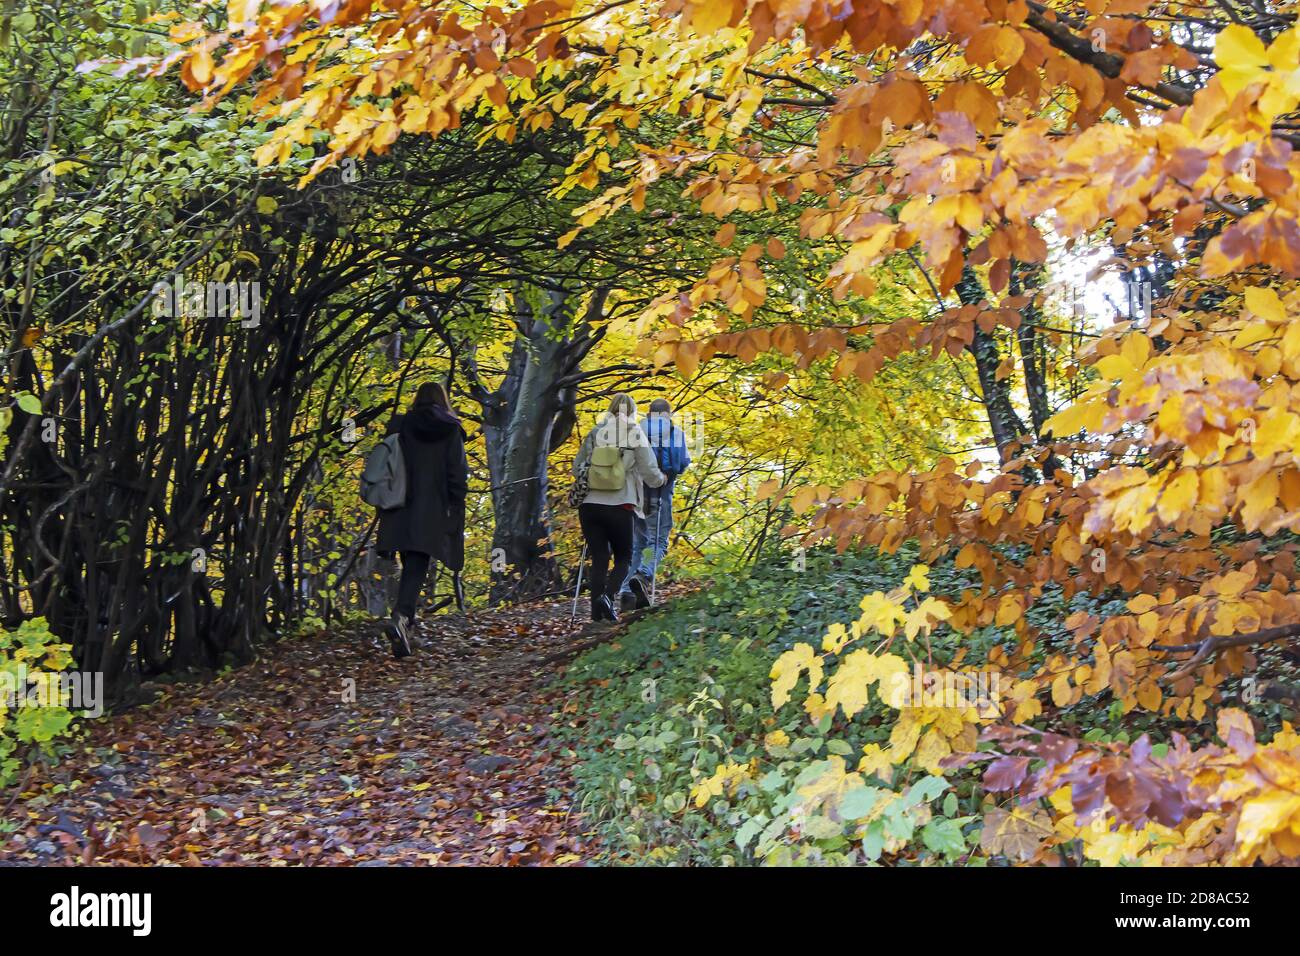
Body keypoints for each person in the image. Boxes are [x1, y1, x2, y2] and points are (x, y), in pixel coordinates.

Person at [376, 382, 468, 658]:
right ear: (444, 400)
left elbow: (385, 463)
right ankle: (403, 617)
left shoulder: (400, 426)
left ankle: (405, 623)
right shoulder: (451, 429)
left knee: (411, 560)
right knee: (418, 561)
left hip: (398, 503)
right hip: (431, 507)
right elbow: (457, 471)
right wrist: (456, 502)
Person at [572, 394, 665, 622]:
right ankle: (607, 596)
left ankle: (597, 616)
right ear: (632, 410)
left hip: (589, 505)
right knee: (623, 557)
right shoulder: (634, 432)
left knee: (600, 558)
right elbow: (650, 470)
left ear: (611, 408)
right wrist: (660, 480)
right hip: (620, 504)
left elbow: (576, 468)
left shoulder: (595, 432)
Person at [620, 398, 691, 610]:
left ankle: (626, 593)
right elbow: (681, 464)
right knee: (658, 541)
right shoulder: (675, 432)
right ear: (668, 414)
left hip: (634, 496)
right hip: (660, 495)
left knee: (638, 544)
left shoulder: (635, 431)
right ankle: (643, 574)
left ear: (649, 413)